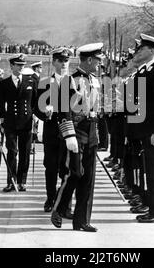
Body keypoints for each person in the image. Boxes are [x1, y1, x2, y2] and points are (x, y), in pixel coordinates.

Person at [51, 42, 104, 232]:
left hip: (91, 132)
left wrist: (100, 135)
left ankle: (81, 220)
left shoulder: (95, 80)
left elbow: (98, 109)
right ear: (89, 59)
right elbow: (64, 111)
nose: (99, 64)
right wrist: (69, 134)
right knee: (74, 173)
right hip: (76, 131)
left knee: (88, 179)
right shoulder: (70, 80)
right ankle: (58, 208)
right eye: (98, 60)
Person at [129, 34, 154, 223]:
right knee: (149, 172)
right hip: (146, 128)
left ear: (152, 51)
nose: (139, 52)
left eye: (143, 49)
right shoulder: (147, 70)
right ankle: (153, 208)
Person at [34, 48, 74, 213]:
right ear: (54, 62)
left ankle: (65, 202)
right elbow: (35, 107)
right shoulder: (44, 83)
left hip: (69, 133)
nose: (64, 64)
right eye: (60, 60)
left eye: (66, 61)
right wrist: (44, 112)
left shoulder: (74, 82)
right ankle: (50, 198)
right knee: (50, 167)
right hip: (52, 132)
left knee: (67, 169)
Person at [0, 54, 37, 192]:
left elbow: (35, 101)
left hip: (26, 121)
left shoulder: (30, 81)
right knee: (12, 151)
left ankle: (22, 181)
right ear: (12, 66)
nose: (21, 67)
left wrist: (35, 116)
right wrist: (1, 121)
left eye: (23, 65)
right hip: (10, 122)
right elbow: (1, 105)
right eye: (18, 65)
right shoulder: (4, 83)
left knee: (25, 152)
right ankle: (11, 181)